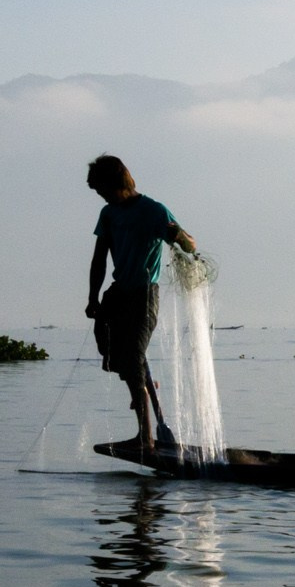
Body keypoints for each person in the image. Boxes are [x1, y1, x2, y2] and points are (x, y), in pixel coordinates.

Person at [85, 155, 197, 452]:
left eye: (102, 189)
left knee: (133, 356)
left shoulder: (153, 211)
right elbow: (99, 259)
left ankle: (146, 437)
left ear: (117, 183)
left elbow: (188, 243)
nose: (101, 196)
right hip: (118, 293)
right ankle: (143, 387)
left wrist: (180, 237)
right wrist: (92, 297)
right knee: (112, 352)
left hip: (144, 295)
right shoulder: (108, 214)